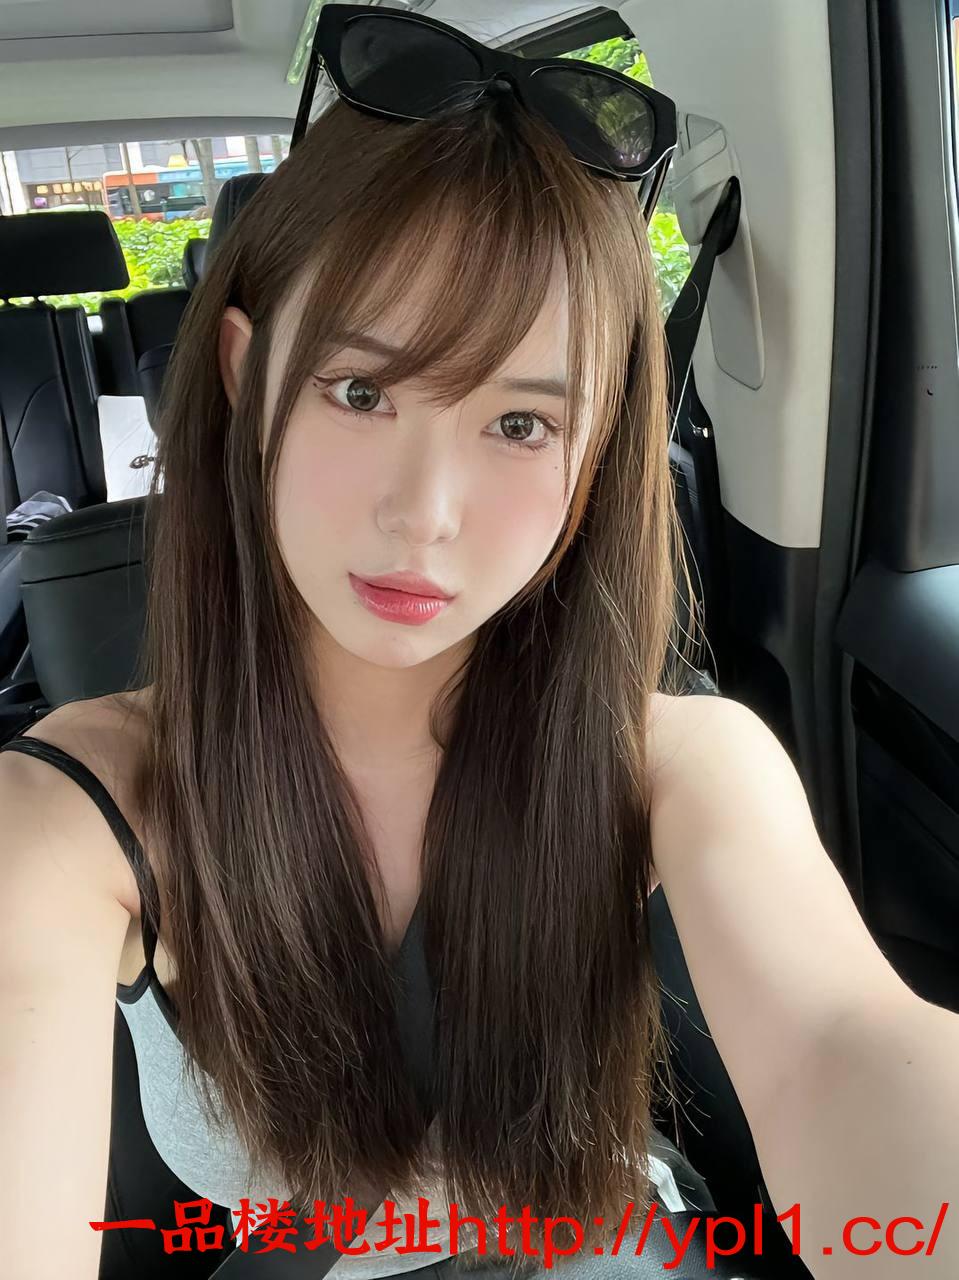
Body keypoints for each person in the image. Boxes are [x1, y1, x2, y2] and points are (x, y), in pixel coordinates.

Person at [2, 13, 958, 1280]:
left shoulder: (682, 760)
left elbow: (836, 1040)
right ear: (243, 372)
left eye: (519, 423)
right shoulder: (73, 815)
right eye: (361, 391)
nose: (424, 514)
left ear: (594, 450)